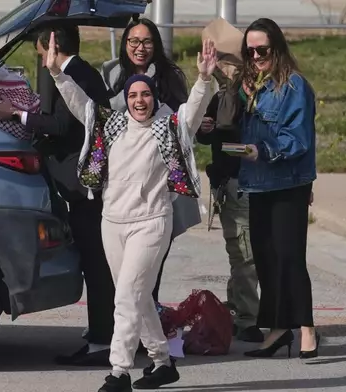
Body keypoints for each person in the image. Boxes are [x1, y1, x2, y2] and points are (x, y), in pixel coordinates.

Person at [48, 31, 218, 391]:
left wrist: (204, 79)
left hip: (152, 223)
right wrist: (58, 75)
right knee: (135, 296)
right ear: (126, 100)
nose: (140, 101)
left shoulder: (168, 128)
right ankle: (161, 361)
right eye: (133, 96)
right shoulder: (113, 125)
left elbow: (193, 111)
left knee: (126, 297)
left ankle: (119, 372)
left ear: (154, 99)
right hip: (112, 223)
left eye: (146, 95)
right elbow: (82, 106)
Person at [0, 26, 115, 367]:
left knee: (96, 265)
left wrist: (15, 114)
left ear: (52, 47)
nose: (42, 60)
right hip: (80, 184)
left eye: (42, 53)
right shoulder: (82, 70)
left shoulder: (73, 76)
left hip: (82, 186)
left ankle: (103, 341)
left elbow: (61, 125)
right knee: (95, 263)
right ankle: (104, 333)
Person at [101, 17, 201, 303]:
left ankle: (143, 335)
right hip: (120, 190)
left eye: (147, 41)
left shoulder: (170, 77)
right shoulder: (110, 73)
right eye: (133, 41)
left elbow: (184, 125)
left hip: (157, 191)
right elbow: (100, 117)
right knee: (122, 275)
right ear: (125, 44)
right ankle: (132, 333)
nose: (140, 48)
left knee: (147, 272)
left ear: (156, 45)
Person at [236, 18, 320, 359]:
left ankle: (307, 329)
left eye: (263, 50)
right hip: (257, 183)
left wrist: (265, 151)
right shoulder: (254, 87)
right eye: (250, 50)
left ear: (278, 49)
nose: (256, 56)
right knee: (266, 259)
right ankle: (277, 329)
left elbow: (298, 138)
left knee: (289, 258)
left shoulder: (294, 86)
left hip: (287, 183)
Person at [196, 65, 262, 342]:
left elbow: (260, 146)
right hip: (232, 185)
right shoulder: (220, 98)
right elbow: (206, 137)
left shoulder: (260, 97)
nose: (224, 69)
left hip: (256, 183)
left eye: (229, 63)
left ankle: (239, 308)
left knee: (247, 252)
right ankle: (246, 318)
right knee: (244, 253)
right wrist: (205, 129)